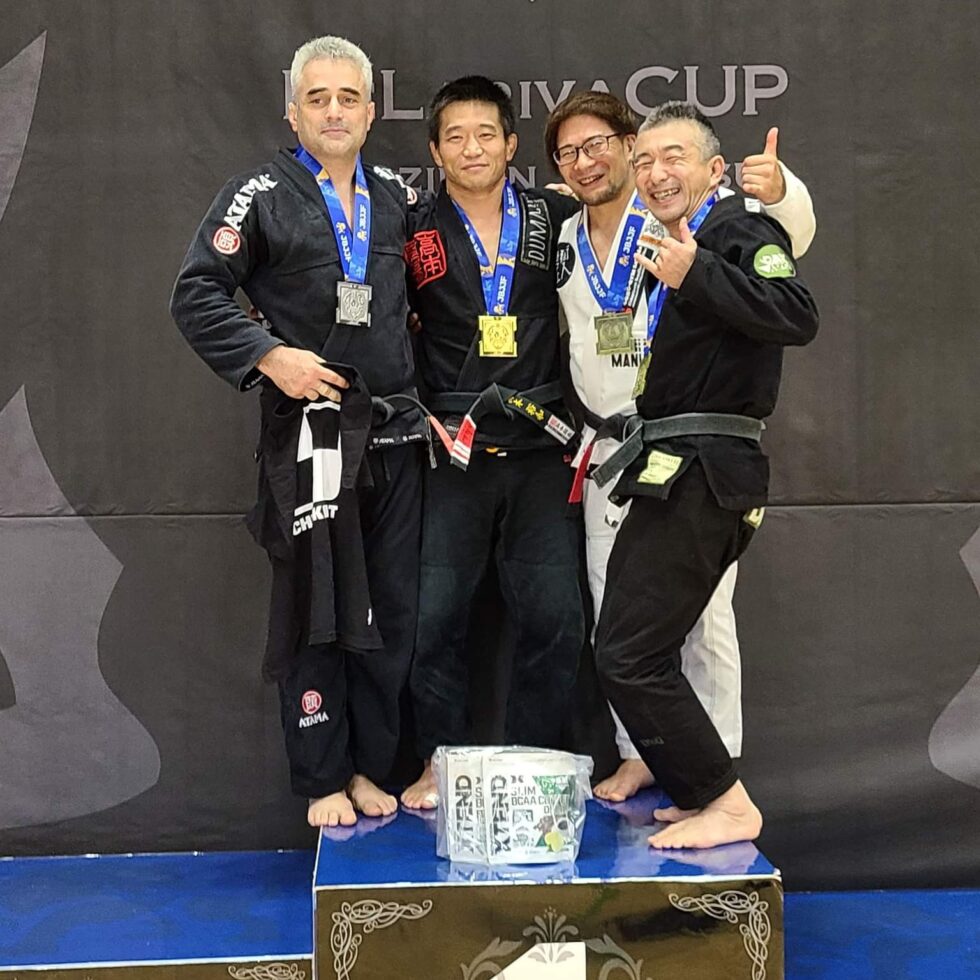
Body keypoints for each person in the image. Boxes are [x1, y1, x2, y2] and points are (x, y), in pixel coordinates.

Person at [170, 36, 428, 829]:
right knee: (315, 609)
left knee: (391, 612)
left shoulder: (398, 197)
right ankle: (322, 776)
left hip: (396, 436)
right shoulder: (258, 194)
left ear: (372, 111)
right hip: (311, 439)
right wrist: (268, 355)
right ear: (293, 112)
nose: (334, 111)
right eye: (318, 98)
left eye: (348, 98)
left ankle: (374, 766)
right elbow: (196, 292)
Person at [544, 91, 816, 802]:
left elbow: (785, 247)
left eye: (600, 146)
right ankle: (644, 753)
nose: (586, 161)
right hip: (613, 449)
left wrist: (782, 191)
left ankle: (716, 769)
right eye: (569, 153)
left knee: (701, 618)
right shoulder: (562, 232)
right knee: (617, 611)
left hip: (691, 450)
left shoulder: (692, 217)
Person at [400, 77, 584, 809]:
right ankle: (437, 764)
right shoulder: (410, 229)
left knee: (557, 618)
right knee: (432, 620)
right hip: (454, 450)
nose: (471, 148)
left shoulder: (557, 217)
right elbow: (378, 325)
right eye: (455, 136)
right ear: (434, 151)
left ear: (511, 144)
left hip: (543, 449)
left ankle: (537, 764)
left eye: (486, 134)